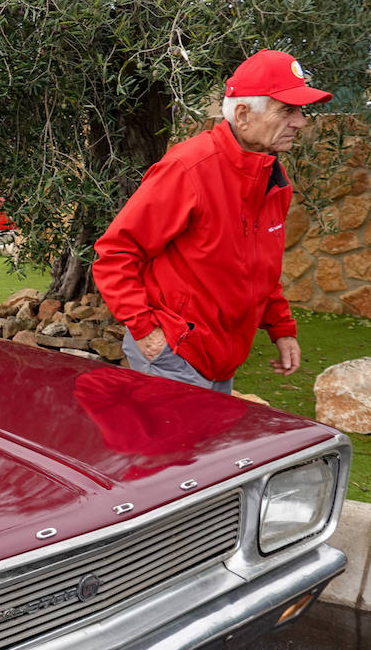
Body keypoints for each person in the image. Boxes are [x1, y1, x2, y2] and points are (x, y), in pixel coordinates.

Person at [91, 49, 330, 393]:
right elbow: (115, 254)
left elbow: (260, 270)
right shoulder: (188, 170)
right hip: (174, 355)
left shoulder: (274, 182)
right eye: (287, 110)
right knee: (174, 448)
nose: (300, 122)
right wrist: (146, 332)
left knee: (206, 447)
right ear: (244, 114)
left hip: (223, 359)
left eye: (301, 111)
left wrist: (282, 329)